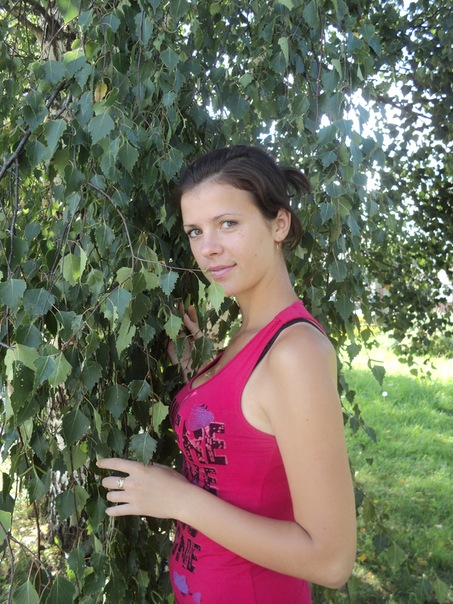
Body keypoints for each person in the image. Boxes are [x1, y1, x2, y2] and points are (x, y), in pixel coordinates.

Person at [97, 145, 357, 603]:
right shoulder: (247, 338)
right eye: (195, 231)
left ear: (279, 224)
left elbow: (331, 561)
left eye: (228, 224)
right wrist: (199, 368)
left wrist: (178, 500)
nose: (208, 248)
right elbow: (247, 431)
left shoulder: (296, 353)